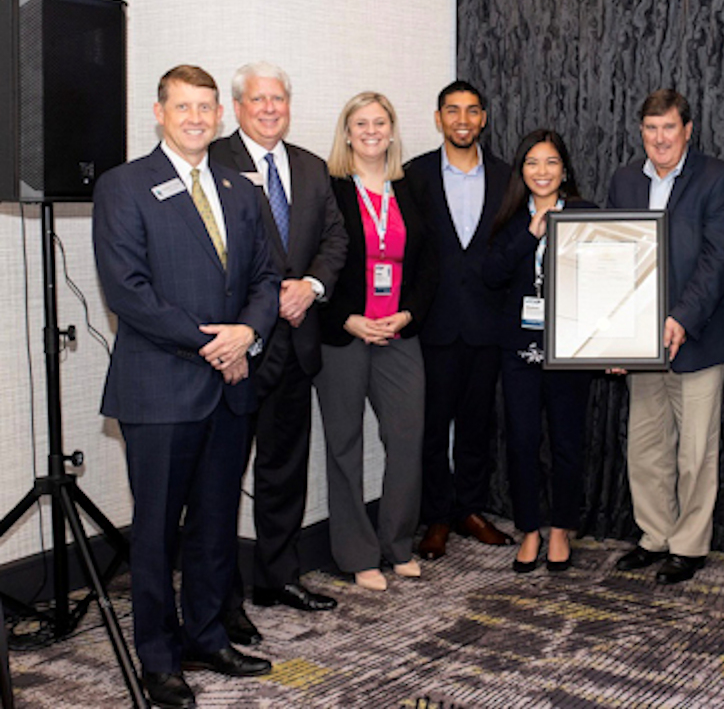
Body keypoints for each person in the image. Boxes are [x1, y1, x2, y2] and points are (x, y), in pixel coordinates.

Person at [93, 65, 278, 709]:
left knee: (215, 524)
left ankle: (205, 636)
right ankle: (159, 658)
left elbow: (265, 279)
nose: (197, 118)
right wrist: (214, 343)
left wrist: (246, 335)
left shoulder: (237, 186)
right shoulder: (124, 186)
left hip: (230, 384)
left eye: (206, 108)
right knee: (156, 531)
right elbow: (128, 293)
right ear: (159, 111)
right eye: (184, 107)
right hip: (161, 387)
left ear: (220, 115)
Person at [209, 62, 348, 645]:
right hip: (240, 347)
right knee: (219, 479)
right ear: (237, 107)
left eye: (279, 99)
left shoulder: (312, 167)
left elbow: (334, 240)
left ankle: (277, 576)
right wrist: (265, 305)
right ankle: (220, 601)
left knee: (284, 470)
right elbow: (210, 257)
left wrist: (311, 287)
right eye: (258, 99)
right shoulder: (211, 162)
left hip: (297, 345)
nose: (270, 109)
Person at [608, 89, 724, 584]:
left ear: (688, 130)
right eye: (650, 128)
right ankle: (654, 536)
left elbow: (717, 259)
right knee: (644, 447)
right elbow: (613, 256)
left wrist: (681, 318)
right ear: (640, 131)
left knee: (694, 452)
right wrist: (613, 334)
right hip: (641, 341)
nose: (660, 138)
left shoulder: (718, 178)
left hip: (698, 339)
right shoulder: (624, 180)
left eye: (669, 128)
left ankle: (688, 546)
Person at [313, 92, 436, 591]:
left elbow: (431, 265)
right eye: (360, 123)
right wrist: (347, 318)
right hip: (345, 334)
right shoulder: (328, 188)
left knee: (406, 439)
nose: (370, 131)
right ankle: (358, 553)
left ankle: (398, 543)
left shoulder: (411, 188)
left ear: (392, 130)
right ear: (346, 133)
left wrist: (407, 313)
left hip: (399, 332)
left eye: (379, 122)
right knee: (344, 444)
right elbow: (312, 259)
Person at [405, 81, 514, 560]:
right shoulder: (413, 176)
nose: (463, 120)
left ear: (484, 118)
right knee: (432, 427)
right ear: (438, 118)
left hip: (488, 324)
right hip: (434, 324)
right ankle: (437, 517)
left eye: (472, 111)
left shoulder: (510, 176)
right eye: (453, 111)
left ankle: (470, 508)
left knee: (477, 423)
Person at [483, 130, 598, 573]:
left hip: (571, 349)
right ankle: (529, 529)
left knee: (568, 443)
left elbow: (607, 274)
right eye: (533, 163)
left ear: (564, 169)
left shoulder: (585, 214)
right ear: (521, 171)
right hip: (520, 350)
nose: (542, 172)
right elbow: (491, 275)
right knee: (523, 442)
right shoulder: (511, 215)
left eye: (551, 163)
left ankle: (561, 530)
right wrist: (531, 235)